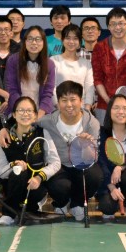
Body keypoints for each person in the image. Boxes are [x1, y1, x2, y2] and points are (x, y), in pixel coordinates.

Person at [36, 81, 103, 221]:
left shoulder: (92, 123)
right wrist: (5, 130)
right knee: (59, 187)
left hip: (81, 165)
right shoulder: (48, 121)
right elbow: (26, 124)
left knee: (95, 175)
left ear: (81, 101)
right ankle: (61, 203)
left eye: (73, 99)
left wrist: (86, 146)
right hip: (59, 167)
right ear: (58, 102)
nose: (69, 105)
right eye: (64, 100)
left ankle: (77, 204)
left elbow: (93, 158)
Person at [0, 96, 61, 225]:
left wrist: (39, 177)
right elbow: (1, 171)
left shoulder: (43, 133)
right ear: (14, 115)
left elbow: (56, 162)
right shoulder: (3, 137)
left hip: (36, 185)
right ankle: (9, 213)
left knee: (39, 193)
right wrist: (14, 165)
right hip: (13, 186)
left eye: (29, 111)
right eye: (21, 110)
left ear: (35, 115)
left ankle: (32, 208)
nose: (25, 114)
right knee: (18, 172)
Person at [97, 93, 126, 222]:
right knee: (107, 207)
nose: (121, 112)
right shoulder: (102, 133)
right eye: (116, 108)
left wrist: (121, 167)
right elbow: (100, 161)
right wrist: (111, 186)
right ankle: (113, 201)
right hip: (109, 181)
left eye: (124, 108)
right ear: (109, 111)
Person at [92, 7, 126, 112]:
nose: (117, 27)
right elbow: (97, 78)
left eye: (121, 23)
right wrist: (109, 102)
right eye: (113, 24)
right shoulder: (100, 47)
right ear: (108, 27)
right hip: (105, 105)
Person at [7, 26, 57, 119]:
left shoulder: (49, 64)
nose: (34, 42)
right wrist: (22, 112)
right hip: (18, 109)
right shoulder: (13, 60)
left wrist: (38, 116)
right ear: (25, 41)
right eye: (30, 39)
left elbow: (48, 93)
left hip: (41, 111)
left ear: (43, 42)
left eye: (38, 39)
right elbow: (12, 89)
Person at [51, 24, 95, 115]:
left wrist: (86, 110)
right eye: (68, 38)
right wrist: (60, 108)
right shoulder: (53, 61)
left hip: (81, 111)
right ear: (62, 40)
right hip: (59, 110)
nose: (71, 42)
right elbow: (51, 88)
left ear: (80, 41)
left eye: (75, 38)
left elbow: (89, 88)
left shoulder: (86, 63)